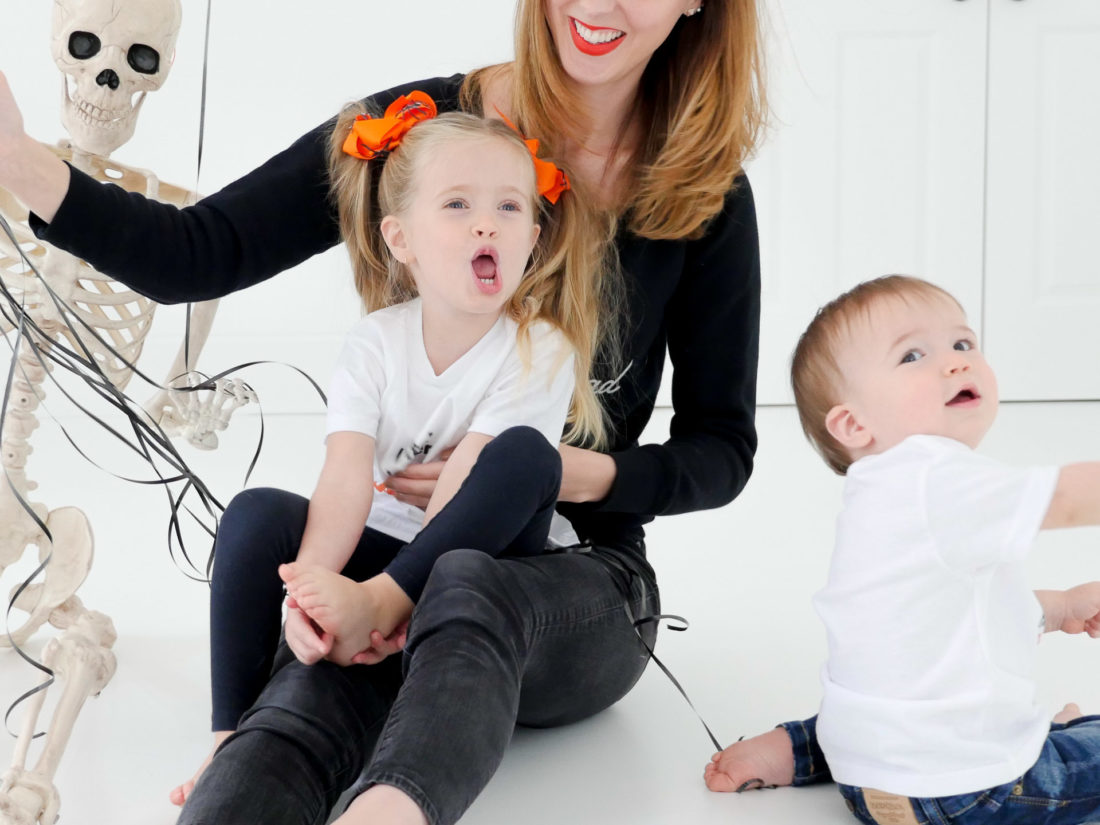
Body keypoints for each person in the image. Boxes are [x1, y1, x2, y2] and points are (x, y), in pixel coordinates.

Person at [0, 1, 765, 822]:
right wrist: (17, 161)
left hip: (576, 578)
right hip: (395, 566)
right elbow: (201, 251)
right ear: (402, 231)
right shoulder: (416, 133)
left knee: (467, 581)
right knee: (299, 699)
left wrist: (559, 472)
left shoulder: (703, 189)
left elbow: (721, 448)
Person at [203, 101, 613, 803]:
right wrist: (311, 589)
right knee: (254, 513)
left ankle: (381, 608)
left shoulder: (539, 347)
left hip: (474, 559)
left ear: (533, 240)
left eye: (509, 208)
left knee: (522, 455)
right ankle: (224, 735)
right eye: (458, 204)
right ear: (401, 239)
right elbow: (344, 478)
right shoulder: (376, 343)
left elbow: (466, 487)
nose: (487, 223)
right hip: (382, 546)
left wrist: (383, 599)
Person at [705, 275, 1100, 825]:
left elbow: (954, 617)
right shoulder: (937, 475)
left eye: (963, 344)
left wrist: (1060, 606)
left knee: (889, 708)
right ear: (853, 423)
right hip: (970, 793)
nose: (956, 362)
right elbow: (1070, 496)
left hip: (868, 780)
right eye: (912, 355)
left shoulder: (883, 494)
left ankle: (797, 749)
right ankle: (1046, 744)